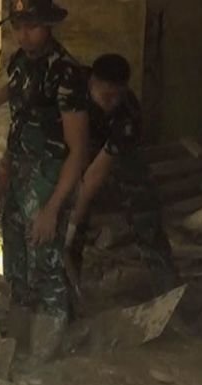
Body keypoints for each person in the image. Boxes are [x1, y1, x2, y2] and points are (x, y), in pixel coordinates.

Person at [0, 0, 88, 363]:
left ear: (49, 26)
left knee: (46, 263)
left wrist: (54, 208)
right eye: (18, 27)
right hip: (19, 170)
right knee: (17, 264)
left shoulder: (66, 73)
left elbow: (79, 149)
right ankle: (19, 347)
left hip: (50, 177)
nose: (23, 34)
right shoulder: (21, 61)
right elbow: (14, 88)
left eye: (31, 26)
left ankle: (45, 359)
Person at [68, 53, 177, 296]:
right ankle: (66, 295)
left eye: (118, 95)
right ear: (92, 84)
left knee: (145, 209)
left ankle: (169, 292)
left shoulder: (128, 115)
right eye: (106, 95)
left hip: (118, 158)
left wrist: (76, 214)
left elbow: (98, 171)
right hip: (73, 153)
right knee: (66, 225)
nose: (112, 101)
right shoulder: (72, 91)